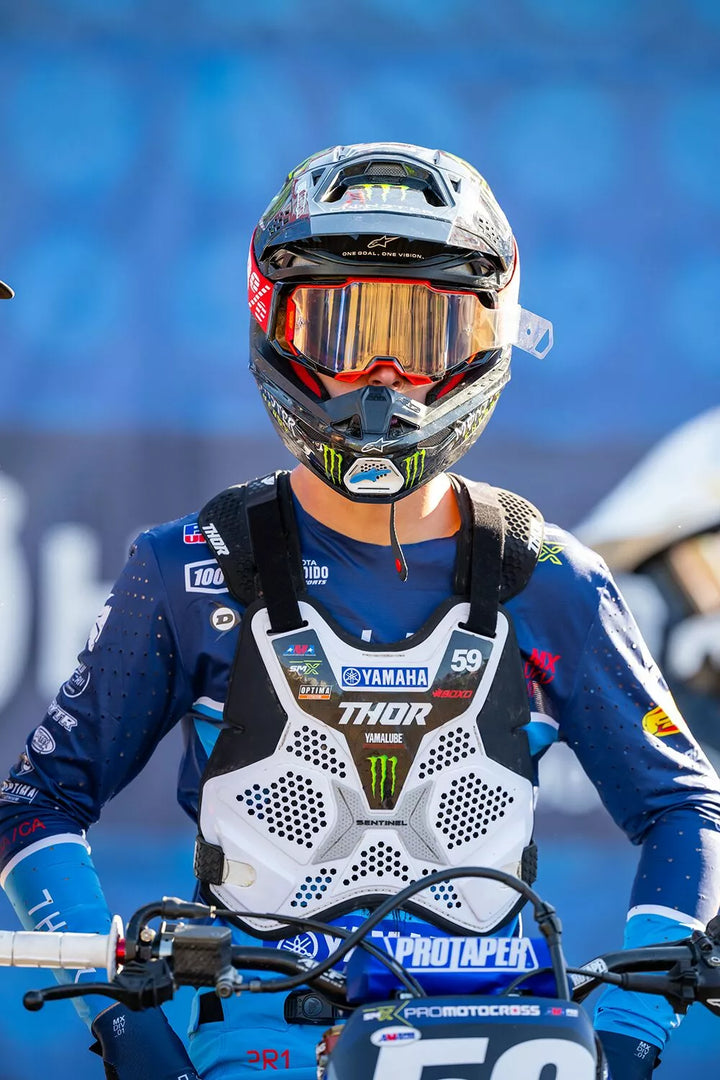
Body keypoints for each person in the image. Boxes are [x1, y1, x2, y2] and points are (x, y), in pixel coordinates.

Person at [1, 143, 719, 1080]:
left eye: (423, 334)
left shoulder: (546, 576)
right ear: (275, 325)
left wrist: (628, 1032)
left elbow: (684, 806)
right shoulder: (191, 569)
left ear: (490, 338)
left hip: (508, 1043)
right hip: (261, 1047)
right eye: (343, 331)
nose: (382, 379)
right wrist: (128, 1033)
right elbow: (38, 805)